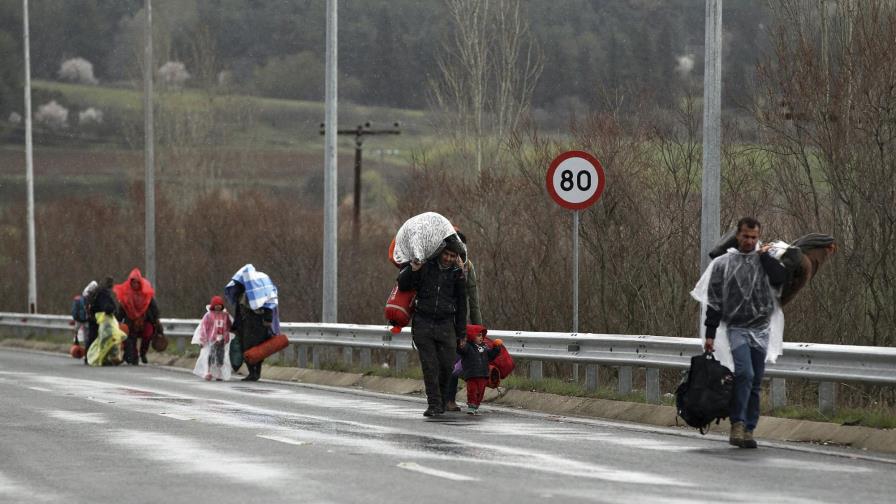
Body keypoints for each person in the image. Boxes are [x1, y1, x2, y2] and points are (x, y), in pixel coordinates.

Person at [692, 217, 787, 449]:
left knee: (755, 380)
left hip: (761, 329)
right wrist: (710, 334)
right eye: (745, 236)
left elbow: (780, 278)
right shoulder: (724, 263)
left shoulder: (765, 260)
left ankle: (749, 428)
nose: (749, 241)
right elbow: (714, 300)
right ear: (738, 235)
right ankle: (737, 423)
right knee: (744, 373)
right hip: (737, 328)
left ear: (758, 237)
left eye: (754, 237)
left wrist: (764, 256)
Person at [397, 238, 467, 417]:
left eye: (453, 256)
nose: (449, 258)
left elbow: (462, 306)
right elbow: (403, 284)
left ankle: (442, 400)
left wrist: (461, 334)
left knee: (447, 366)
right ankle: (434, 404)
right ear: (440, 252)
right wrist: (413, 269)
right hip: (423, 323)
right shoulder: (425, 266)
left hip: (446, 324)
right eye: (446, 254)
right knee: (430, 366)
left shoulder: (458, 274)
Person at [445, 231, 483, 412]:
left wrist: (479, 329)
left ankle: (449, 399)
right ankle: (443, 398)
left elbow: (473, 300)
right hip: (441, 320)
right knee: (446, 361)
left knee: (456, 360)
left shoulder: (468, 267)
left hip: (459, 322)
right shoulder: (441, 264)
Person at [225, 264, 280, 382]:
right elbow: (239, 312)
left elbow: (268, 306)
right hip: (245, 327)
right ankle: (252, 372)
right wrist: (235, 326)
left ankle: (256, 372)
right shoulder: (242, 295)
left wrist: (268, 320)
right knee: (246, 350)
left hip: (258, 326)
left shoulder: (260, 293)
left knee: (257, 350)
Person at [114, 268, 163, 365]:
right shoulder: (126, 296)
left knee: (148, 334)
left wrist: (155, 320)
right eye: (133, 283)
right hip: (131, 323)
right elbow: (121, 310)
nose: (135, 285)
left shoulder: (146, 295)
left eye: (137, 282)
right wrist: (116, 321)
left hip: (145, 321)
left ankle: (143, 353)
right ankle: (133, 356)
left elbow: (154, 309)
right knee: (130, 340)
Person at [457, 325, 502, 415]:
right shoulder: (468, 347)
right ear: (471, 336)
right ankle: (471, 406)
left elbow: (490, 356)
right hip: (472, 374)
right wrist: (460, 343)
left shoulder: (485, 347)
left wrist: (496, 349)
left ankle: (476, 406)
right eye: (478, 335)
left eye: (481, 335)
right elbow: (461, 350)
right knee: (472, 391)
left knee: (480, 392)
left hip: (484, 374)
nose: (481, 337)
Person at [192, 296, 233, 381]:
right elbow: (203, 327)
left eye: (220, 305)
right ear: (213, 305)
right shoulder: (208, 316)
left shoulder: (225, 315)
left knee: (220, 357)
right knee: (210, 356)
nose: (218, 307)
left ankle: (218, 373)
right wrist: (202, 339)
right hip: (211, 339)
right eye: (216, 305)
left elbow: (228, 327)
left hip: (221, 340)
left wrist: (226, 337)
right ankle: (208, 371)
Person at [85, 277, 117, 364]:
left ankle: (89, 357)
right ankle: (101, 357)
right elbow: (107, 306)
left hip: (92, 317)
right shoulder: (104, 293)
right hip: (100, 318)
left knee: (93, 337)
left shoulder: (97, 291)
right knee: (104, 338)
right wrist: (112, 311)